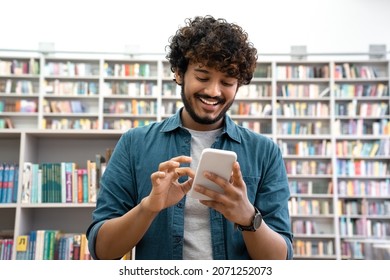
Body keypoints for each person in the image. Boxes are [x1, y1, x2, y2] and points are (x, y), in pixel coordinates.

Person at [86, 15, 293, 260]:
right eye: (203, 77)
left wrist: (248, 217)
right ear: (179, 74)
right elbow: (102, 251)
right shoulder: (134, 143)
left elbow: (281, 260)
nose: (213, 91)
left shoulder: (264, 152)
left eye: (227, 81)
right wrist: (149, 207)